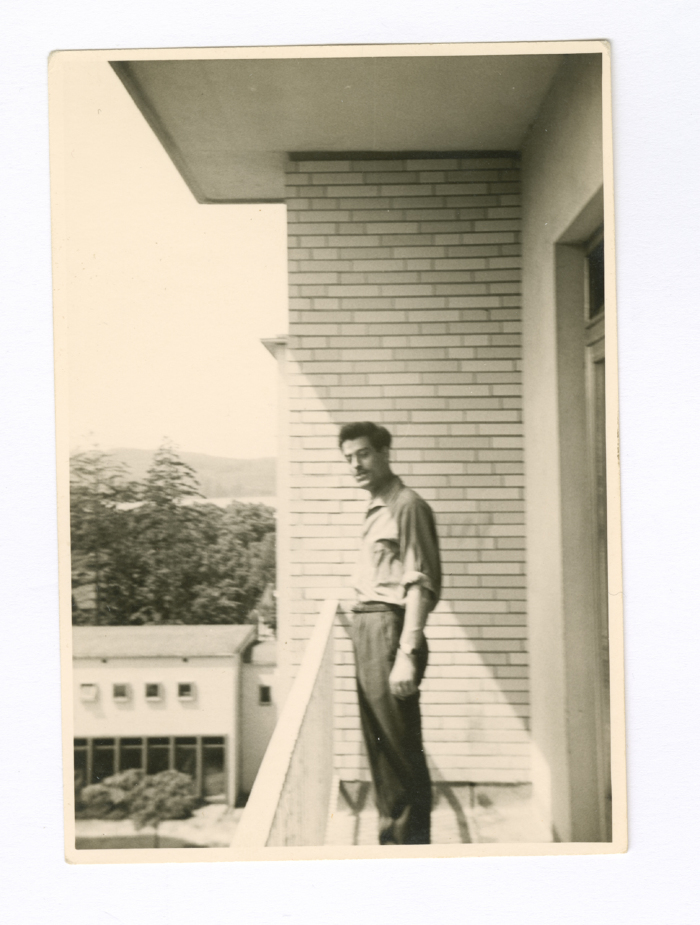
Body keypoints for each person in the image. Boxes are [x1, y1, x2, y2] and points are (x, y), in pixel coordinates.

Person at [339, 421, 441, 845]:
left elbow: (420, 582)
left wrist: (405, 652)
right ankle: (392, 845)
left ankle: (412, 851)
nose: (355, 465)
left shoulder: (407, 505)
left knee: (400, 751)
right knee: (381, 751)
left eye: (362, 454)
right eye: (348, 458)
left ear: (384, 453)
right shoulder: (374, 507)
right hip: (367, 628)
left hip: (389, 632)